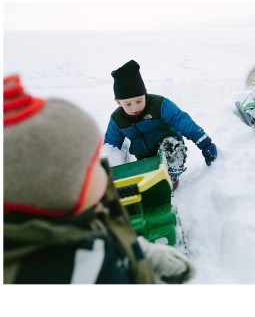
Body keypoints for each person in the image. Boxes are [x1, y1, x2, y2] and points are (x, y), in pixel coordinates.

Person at [4, 75, 195, 284]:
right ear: (63, 188)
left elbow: (113, 242)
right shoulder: (66, 273)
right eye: (93, 165)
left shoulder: (80, 225)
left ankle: (172, 175)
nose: (103, 169)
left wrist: (148, 257)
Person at [103, 60, 218, 189]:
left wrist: (205, 143)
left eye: (139, 101)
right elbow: (111, 145)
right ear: (118, 102)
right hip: (144, 159)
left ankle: (171, 176)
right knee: (145, 178)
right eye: (128, 104)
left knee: (171, 145)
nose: (135, 107)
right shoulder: (118, 120)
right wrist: (105, 171)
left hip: (168, 146)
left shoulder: (159, 105)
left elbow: (183, 121)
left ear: (145, 94)